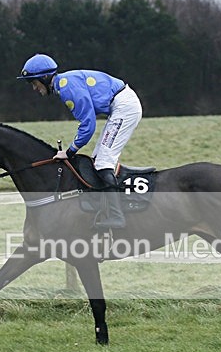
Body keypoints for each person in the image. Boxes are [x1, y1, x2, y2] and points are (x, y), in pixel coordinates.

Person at [17, 53, 142, 229]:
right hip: (121, 105)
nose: (34, 88)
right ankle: (108, 209)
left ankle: (117, 216)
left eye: (33, 82)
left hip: (124, 107)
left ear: (44, 78)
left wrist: (69, 152)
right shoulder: (63, 85)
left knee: (104, 162)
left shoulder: (66, 88)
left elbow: (88, 125)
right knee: (98, 160)